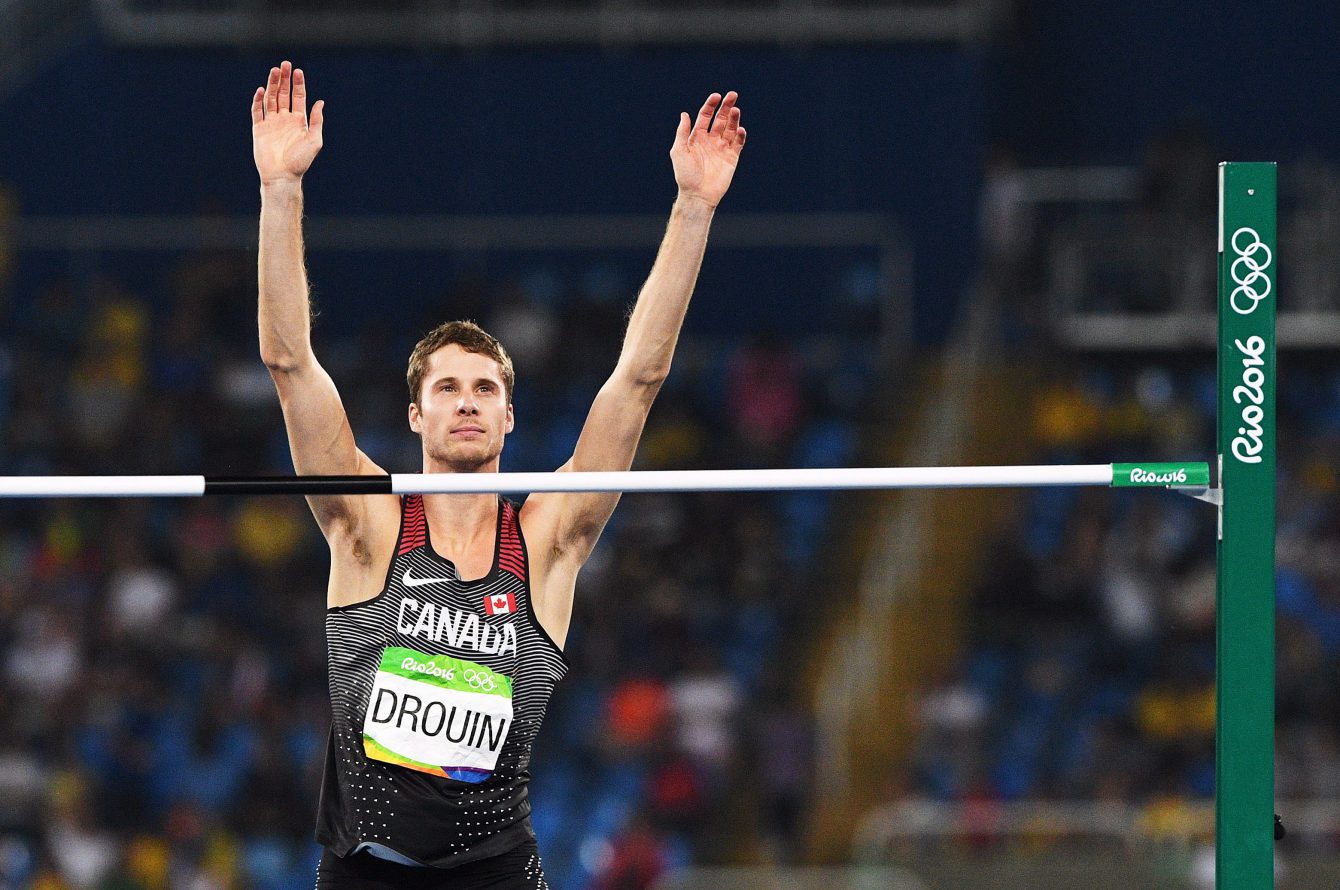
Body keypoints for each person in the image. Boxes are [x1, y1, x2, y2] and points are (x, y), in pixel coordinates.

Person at [250, 60, 746, 888]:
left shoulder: (546, 541)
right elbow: (289, 363)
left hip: (494, 871)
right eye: (447, 388)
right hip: (366, 871)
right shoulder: (368, 526)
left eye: (485, 389)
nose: (467, 403)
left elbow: (637, 381)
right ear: (416, 415)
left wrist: (693, 208)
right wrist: (280, 190)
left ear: (511, 417)